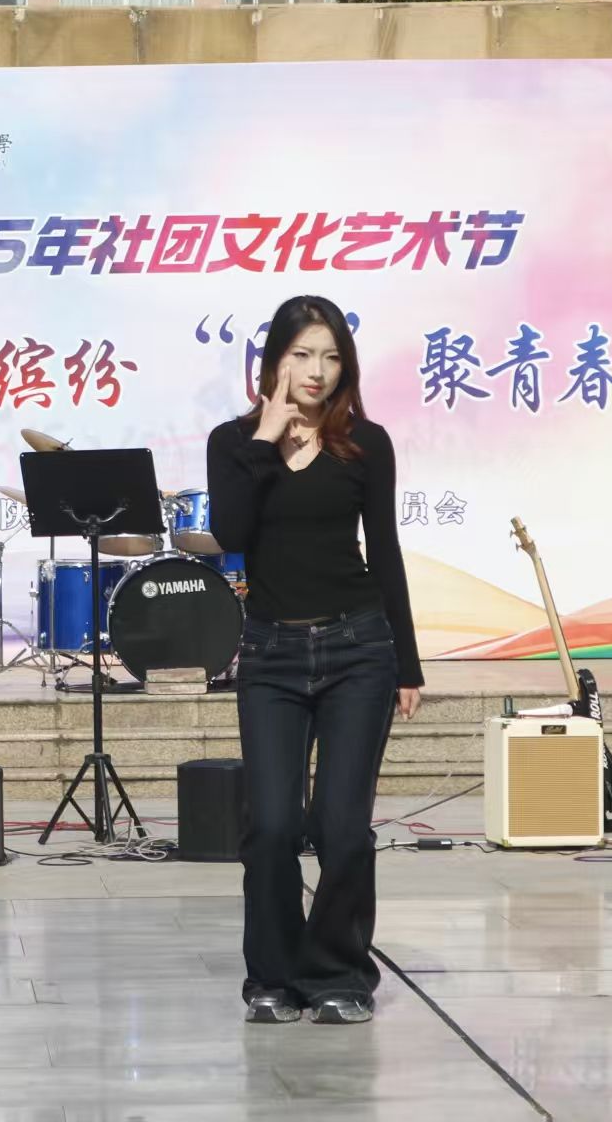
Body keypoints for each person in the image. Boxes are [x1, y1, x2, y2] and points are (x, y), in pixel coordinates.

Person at [206, 295, 424, 1025]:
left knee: (341, 827)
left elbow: (384, 551)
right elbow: (232, 533)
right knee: (271, 826)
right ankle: (272, 976)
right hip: (270, 654)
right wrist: (266, 439)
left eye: (331, 357)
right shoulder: (233, 442)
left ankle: (337, 972)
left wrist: (408, 663)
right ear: (274, 361)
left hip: (358, 648)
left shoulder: (367, 443)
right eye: (302, 355)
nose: (317, 371)